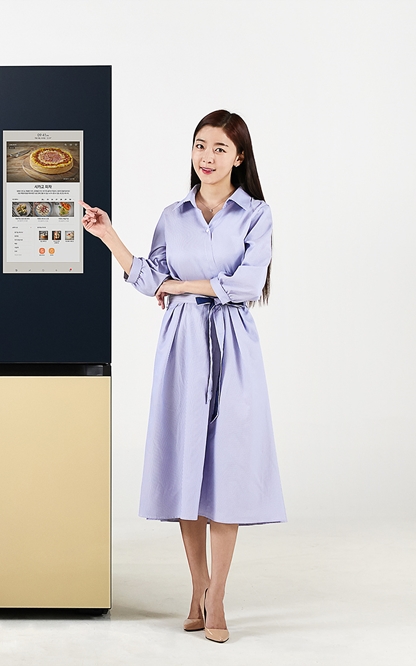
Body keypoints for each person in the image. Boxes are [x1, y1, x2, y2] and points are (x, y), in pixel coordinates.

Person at [81, 110, 285, 644]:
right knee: (187, 461)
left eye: (219, 148)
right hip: (182, 345)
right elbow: (151, 278)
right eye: (200, 146)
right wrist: (108, 235)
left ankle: (218, 597)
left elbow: (247, 284)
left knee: (228, 468)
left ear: (239, 157)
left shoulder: (255, 214)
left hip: (233, 344)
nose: (207, 157)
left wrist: (184, 286)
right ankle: (198, 585)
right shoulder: (173, 216)